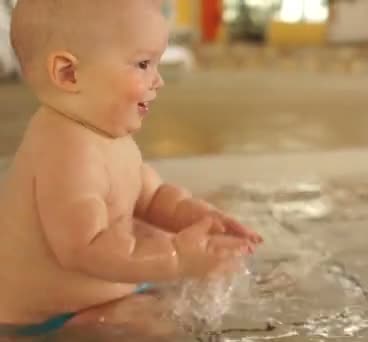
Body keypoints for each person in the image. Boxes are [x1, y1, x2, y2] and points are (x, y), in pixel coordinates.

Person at [0, 0, 263, 336]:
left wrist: (201, 218)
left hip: (104, 299)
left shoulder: (104, 134)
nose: (158, 81)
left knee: (204, 269)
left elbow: (152, 197)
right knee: (167, 327)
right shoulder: (65, 150)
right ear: (69, 73)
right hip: (52, 321)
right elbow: (86, 247)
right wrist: (177, 258)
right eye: (143, 64)